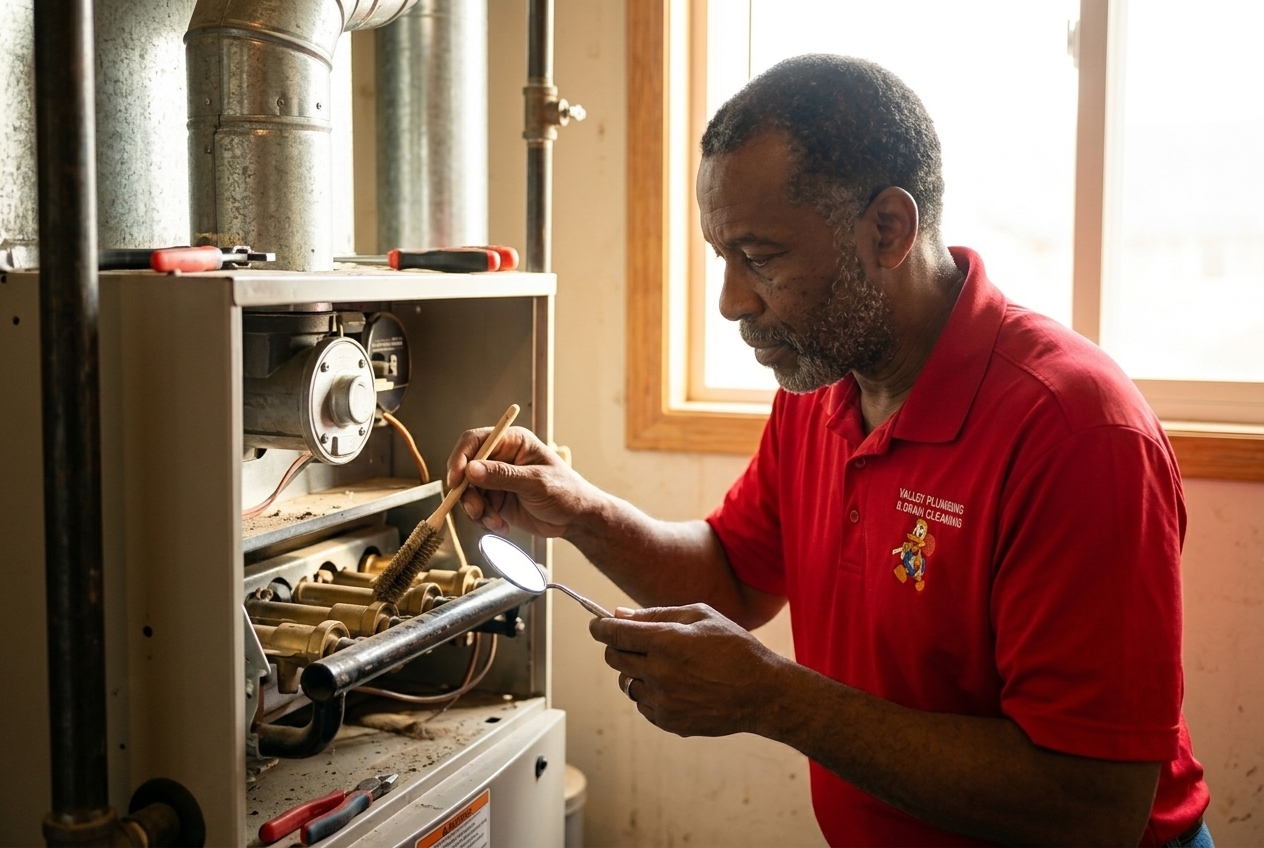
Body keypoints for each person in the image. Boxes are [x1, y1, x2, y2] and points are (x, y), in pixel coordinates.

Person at [447, 55, 1211, 847]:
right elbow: (736, 576)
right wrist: (581, 513)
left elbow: (1092, 808)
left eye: (760, 258)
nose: (731, 302)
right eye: (722, 257)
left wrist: (778, 699)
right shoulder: (821, 383)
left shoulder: (1077, 432)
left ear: (888, 230)